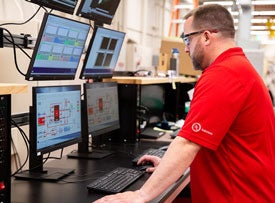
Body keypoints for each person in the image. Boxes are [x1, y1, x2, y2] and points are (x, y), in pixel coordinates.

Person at [94, 4, 275, 203]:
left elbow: (188, 143)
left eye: (187, 39)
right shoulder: (238, 67)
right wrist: (167, 167)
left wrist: (140, 195)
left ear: (206, 37)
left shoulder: (224, 74)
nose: (186, 48)